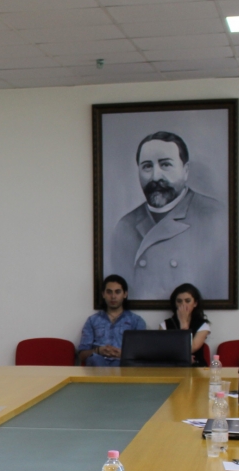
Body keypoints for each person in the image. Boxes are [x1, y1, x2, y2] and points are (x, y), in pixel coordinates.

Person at [107, 131, 229, 301]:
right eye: (147, 166)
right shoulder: (124, 227)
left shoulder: (216, 218)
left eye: (165, 165)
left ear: (185, 171)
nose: (155, 176)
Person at [78, 274, 146, 367]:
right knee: (95, 358)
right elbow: (82, 355)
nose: (113, 296)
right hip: (98, 366)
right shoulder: (92, 320)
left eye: (117, 292)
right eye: (109, 292)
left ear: (125, 294)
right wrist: (98, 350)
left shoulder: (136, 321)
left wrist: (124, 354)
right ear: (103, 294)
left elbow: (141, 354)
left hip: (123, 366)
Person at [158, 282, 211, 367]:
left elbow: (191, 349)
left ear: (195, 303)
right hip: (172, 366)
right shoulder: (165, 325)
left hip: (196, 367)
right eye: (179, 301)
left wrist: (184, 324)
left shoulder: (203, 325)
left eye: (187, 301)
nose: (183, 305)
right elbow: (163, 351)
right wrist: (183, 358)